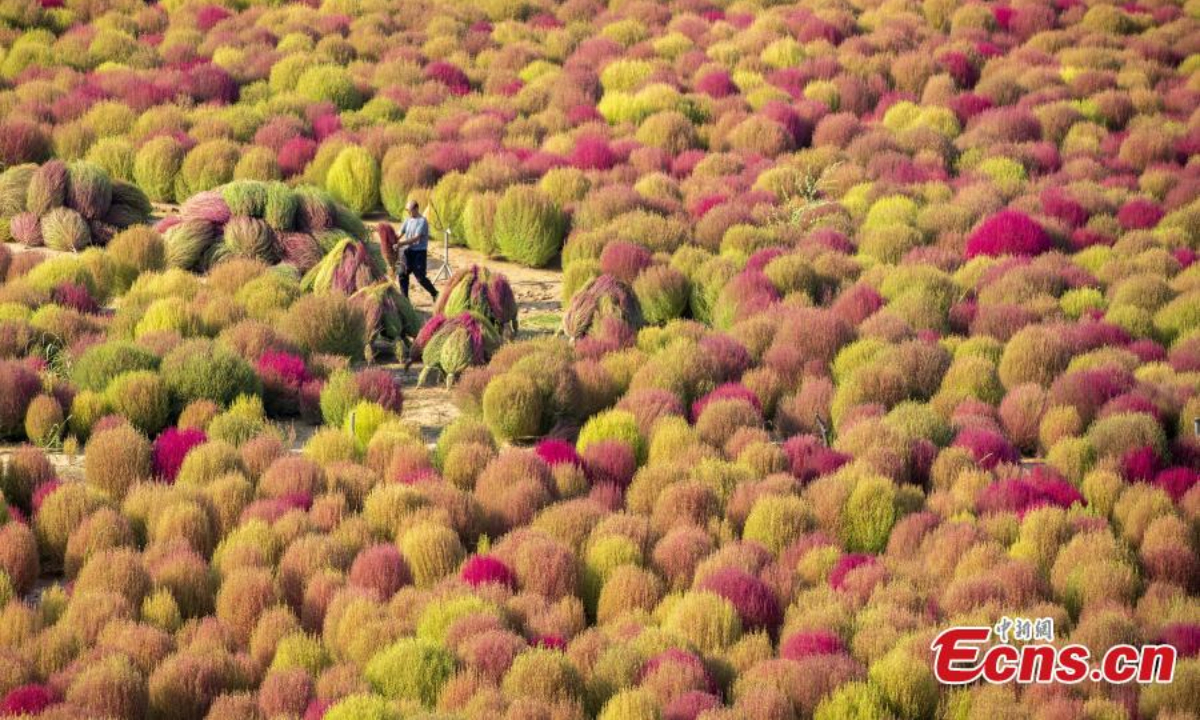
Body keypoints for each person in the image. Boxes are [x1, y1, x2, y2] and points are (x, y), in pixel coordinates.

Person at [383, 200, 439, 301]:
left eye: (410, 211)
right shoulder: (407, 220)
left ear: (416, 209)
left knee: (420, 278)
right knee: (402, 273)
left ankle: (435, 293)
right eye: (407, 211)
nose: (408, 213)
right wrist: (393, 240)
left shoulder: (422, 221)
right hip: (408, 251)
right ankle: (405, 300)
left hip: (419, 253)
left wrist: (401, 244)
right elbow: (400, 232)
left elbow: (416, 239)